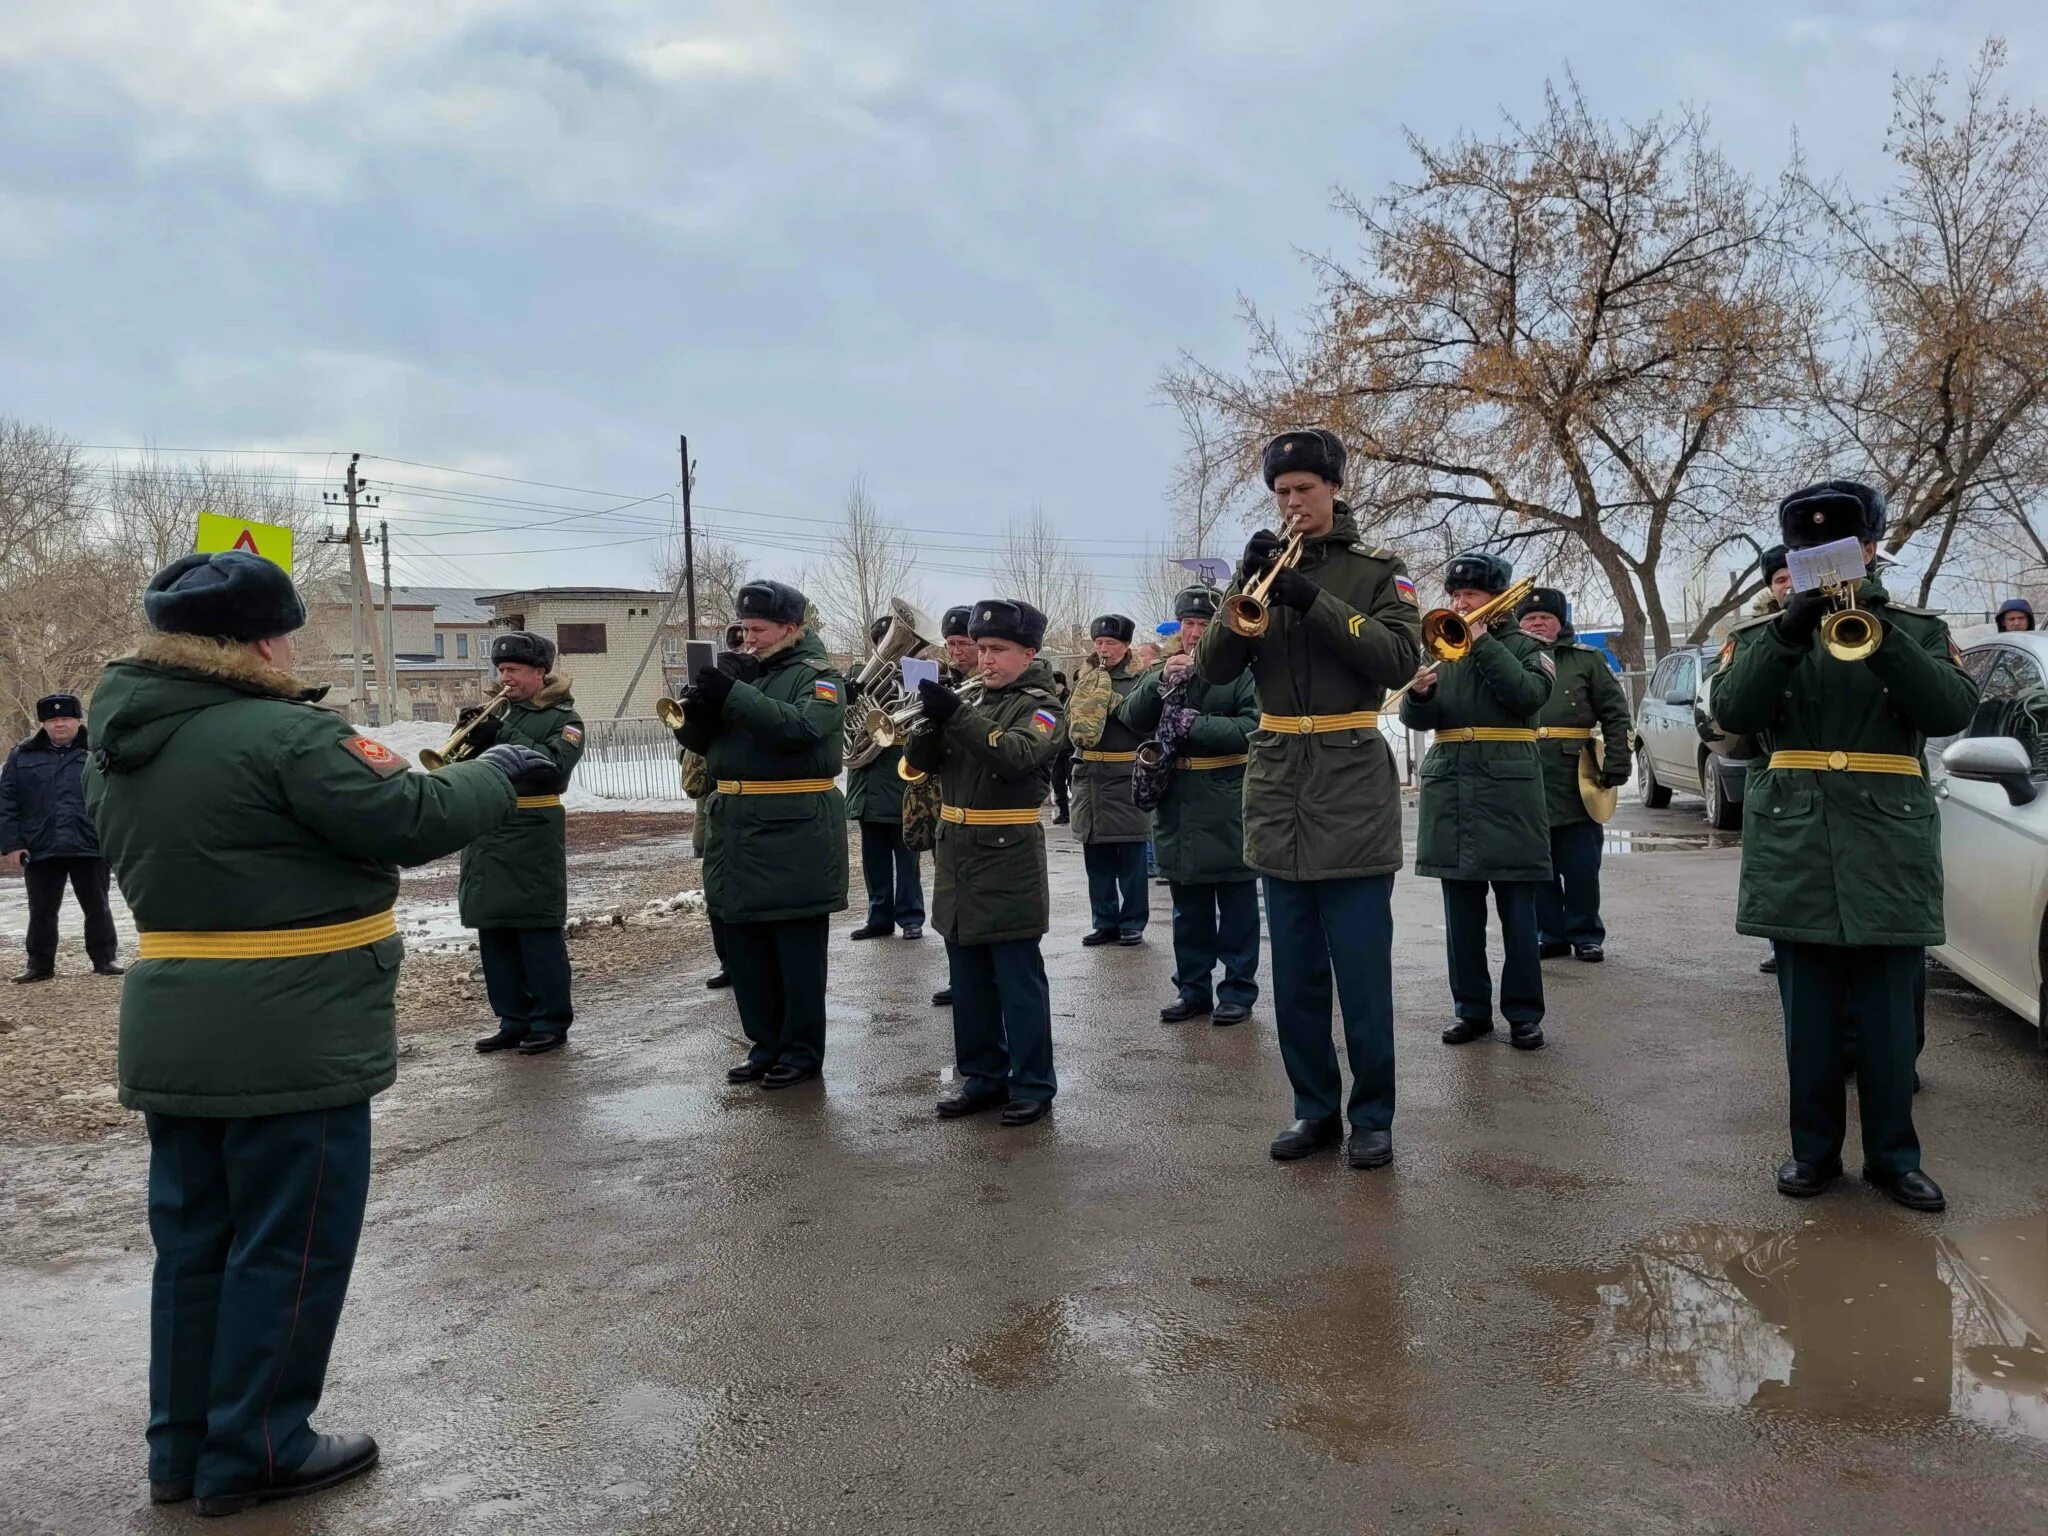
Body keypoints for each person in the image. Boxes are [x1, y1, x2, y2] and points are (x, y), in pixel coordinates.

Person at [85, 550, 554, 1517]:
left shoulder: (121, 738)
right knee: (288, 1245)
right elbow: (405, 816)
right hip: (290, 1028)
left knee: (196, 1247)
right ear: (261, 640)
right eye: (289, 630)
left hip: (177, 1020)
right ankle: (259, 1446)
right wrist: (498, 773)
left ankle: (182, 1449)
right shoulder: (283, 734)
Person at [1713, 480, 1975, 1212]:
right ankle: (1814, 1153)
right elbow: (1731, 713)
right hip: (1795, 837)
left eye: (1842, 549)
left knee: (1894, 1019)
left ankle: (1896, 1158)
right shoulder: (1763, 634)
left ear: (1868, 550)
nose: (1826, 565)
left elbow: (1951, 708)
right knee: (1812, 1020)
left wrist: (1880, 633)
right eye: (1808, 553)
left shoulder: (1918, 627)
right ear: (1793, 560)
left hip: (1888, 837)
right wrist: (1790, 632)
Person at [1196, 428, 1423, 1168]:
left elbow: (1395, 659)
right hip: (1276, 783)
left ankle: (1375, 1115)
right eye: (1282, 492)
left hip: (1351, 778)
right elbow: (1212, 670)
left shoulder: (1377, 571)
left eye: (1304, 490)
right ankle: (1312, 1110)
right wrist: (1243, 588)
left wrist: (1313, 598)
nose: (1293, 503)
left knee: (1360, 971)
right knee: (1294, 975)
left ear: (1332, 489)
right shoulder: (1259, 573)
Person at [677, 579, 848, 1089]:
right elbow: (702, 744)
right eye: (744, 628)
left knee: (794, 951)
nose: (747, 638)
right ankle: (764, 1043)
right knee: (744, 944)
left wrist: (736, 693)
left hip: (793, 828)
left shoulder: (818, 677)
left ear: (791, 629)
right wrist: (701, 706)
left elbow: (800, 730)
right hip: (736, 824)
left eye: (758, 629)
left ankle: (800, 1050)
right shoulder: (749, 672)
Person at [905, 598, 1067, 1126]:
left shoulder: (1042, 704)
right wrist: (928, 725)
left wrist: (957, 715)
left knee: (1016, 978)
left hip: (1008, 853)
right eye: (981, 648)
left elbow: (1016, 755)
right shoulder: (969, 697)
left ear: (1029, 652)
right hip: (957, 853)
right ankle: (982, 1076)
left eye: (999, 649)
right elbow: (918, 766)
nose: (986, 659)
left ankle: (1034, 1083)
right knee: (968, 977)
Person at [1400, 551, 1555, 1050]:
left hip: (1509, 789)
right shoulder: (1441, 649)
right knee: (1461, 920)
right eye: (1456, 594)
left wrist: (1484, 642)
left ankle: (1524, 1015)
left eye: (1470, 594)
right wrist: (1419, 696)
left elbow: (1527, 696)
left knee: (1518, 915)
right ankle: (1471, 1011)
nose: (1460, 602)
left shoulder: (1528, 647)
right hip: (1452, 787)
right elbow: (1418, 720)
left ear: (1496, 598)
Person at [1116, 586, 1260, 1025]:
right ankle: (1193, 988)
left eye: (1204, 623)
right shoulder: (1164, 667)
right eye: (1189, 624)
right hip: (1176, 797)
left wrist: (1198, 723)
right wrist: (1160, 684)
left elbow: (1253, 728)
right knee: (1187, 907)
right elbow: (1129, 718)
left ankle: (1237, 990)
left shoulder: (1241, 671)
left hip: (1227, 794)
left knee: (1236, 904)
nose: (1195, 632)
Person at [461, 631, 586, 1057]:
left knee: (536, 931)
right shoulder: (493, 713)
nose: (505, 678)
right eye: (500, 670)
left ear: (539, 672)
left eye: (513, 670)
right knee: (494, 931)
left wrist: (505, 731)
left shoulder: (563, 719)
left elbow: (553, 769)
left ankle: (550, 1020)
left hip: (532, 827)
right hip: (489, 827)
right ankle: (511, 1018)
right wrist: (471, 738)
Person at [1517, 588, 1632, 963]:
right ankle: (1550, 934)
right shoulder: (1508, 659)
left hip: (1577, 777)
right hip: (1523, 773)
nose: (1537, 623)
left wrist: (1618, 761)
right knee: (1538, 865)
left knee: (1582, 864)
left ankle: (1586, 933)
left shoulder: (1587, 660)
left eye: (1545, 617)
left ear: (1560, 622)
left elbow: (1615, 714)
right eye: (1529, 618)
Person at [0, 692, 122, 981]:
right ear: (43, 724)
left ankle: (105, 960)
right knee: (41, 910)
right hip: (41, 845)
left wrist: (115, 836)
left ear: (79, 720)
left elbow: (118, 797)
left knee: (98, 906)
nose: (60, 724)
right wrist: (13, 845)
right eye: (53, 720)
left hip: (90, 842)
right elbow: (7, 802)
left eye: (66, 718)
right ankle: (39, 965)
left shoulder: (99, 752)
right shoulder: (22, 755)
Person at [1069, 614, 1149, 946]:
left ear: (1126, 646)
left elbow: (1146, 723)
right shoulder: (1085, 678)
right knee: (1096, 857)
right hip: (1089, 776)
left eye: (1111, 644)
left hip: (1124, 774)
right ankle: (1104, 920)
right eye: (1099, 643)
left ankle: (1132, 921)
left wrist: (1115, 703)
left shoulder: (1140, 680)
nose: (1104, 649)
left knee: (1130, 856)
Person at [847, 614, 926, 941]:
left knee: (907, 856)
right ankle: (878, 916)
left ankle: (910, 917)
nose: (889, 649)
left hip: (900, 772)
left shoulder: (918, 674)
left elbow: (924, 720)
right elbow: (845, 721)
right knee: (873, 857)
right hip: (866, 777)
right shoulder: (857, 676)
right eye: (884, 642)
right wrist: (847, 697)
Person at [931, 605, 980, 1008]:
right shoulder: (945, 682)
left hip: (982, 808)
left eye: (964, 643)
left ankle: (977, 979)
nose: (956, 652)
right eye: (950, 644)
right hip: (943, 805)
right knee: (949, 901)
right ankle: (958, 975)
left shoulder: (989, 691)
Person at [1049, 670, 1073, 824]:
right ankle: (1063, 812)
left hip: (1069, 746)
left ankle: (1076, 812)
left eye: (1057, 684)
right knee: (1057, 782)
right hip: (1054, 748)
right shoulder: (1048, 700)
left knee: (1073, 781)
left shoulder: (1070, 699)